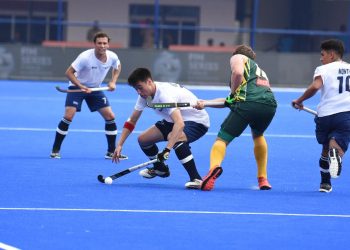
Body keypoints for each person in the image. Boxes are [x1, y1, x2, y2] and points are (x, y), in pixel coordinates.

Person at [195, 45, 277, 191]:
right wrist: (205, 103)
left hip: (248, 104)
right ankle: (263, 179)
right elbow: (230, 101)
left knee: (221, 140)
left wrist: (232, 94)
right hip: (269, 106)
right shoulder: (258, 73)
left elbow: (237, 75)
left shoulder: (238, 57)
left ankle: (214, 168)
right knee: (258, 135)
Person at [111, 68, 210, 189]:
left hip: (196, 121)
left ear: (149, 82)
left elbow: (179, 124)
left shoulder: (164, 95)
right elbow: (132, 121)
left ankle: (196, 179)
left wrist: (166, 150)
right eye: (135, 89)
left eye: (140, 87)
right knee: (143, 139)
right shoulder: (144, 96)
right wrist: (120, 144)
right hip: (172, 120)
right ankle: (160, 169)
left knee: (176, 138)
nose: (138, 92)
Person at [50, 32, 126, 160]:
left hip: (95, 88)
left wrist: (113, 81)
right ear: (94, 44)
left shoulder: (112, 56)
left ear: (108, 44)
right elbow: (69, 73)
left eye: (105, 43)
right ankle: (55, 150)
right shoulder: (85, 57)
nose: (102, 46)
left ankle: (111, 152)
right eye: (99, 43)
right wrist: (81, 86)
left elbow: (117, 66)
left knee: (110, 116)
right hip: (77, 86)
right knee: (68, 115)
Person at [292, 39, 350, 193]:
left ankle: (325, 184)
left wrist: (299, 100)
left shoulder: (323, 69)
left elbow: (315, 86)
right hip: (345, 115)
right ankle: (336, 153)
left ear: (331, 55)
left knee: (325, 149)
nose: (320, 58)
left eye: (322, 54)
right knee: (337, 147)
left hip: (325, 115)